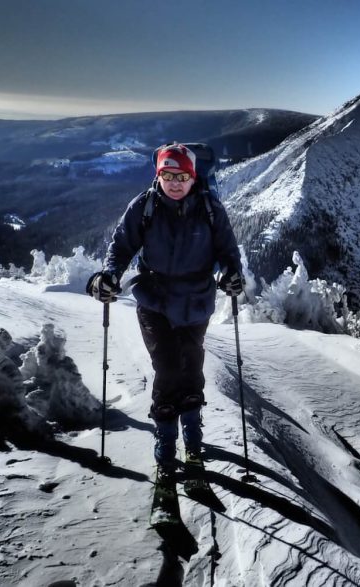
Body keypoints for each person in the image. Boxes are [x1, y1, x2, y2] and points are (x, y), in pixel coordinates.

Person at [87, 143, 244, 481]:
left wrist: (232, 273)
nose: (175, 182)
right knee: (169, 366)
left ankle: (192, 437)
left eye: (182, 176)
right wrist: (110, 274)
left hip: (196, 302)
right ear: (158, 175)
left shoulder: (210, 208)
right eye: (168, 175)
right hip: (154, 300)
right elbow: (121, 246)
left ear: (192, 177)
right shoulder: (144, 207)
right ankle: (167, 443)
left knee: (192, 366)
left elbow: (227, 251)